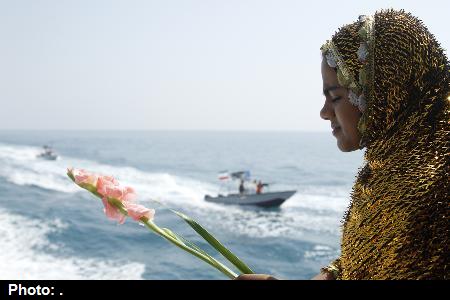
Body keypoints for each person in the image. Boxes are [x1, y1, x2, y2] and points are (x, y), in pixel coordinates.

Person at [237, 9, 449, 280]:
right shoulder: (390, 168)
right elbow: (364, 265)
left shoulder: (429, 191)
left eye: (335, 97)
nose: (324, 113)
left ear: (383, 92)